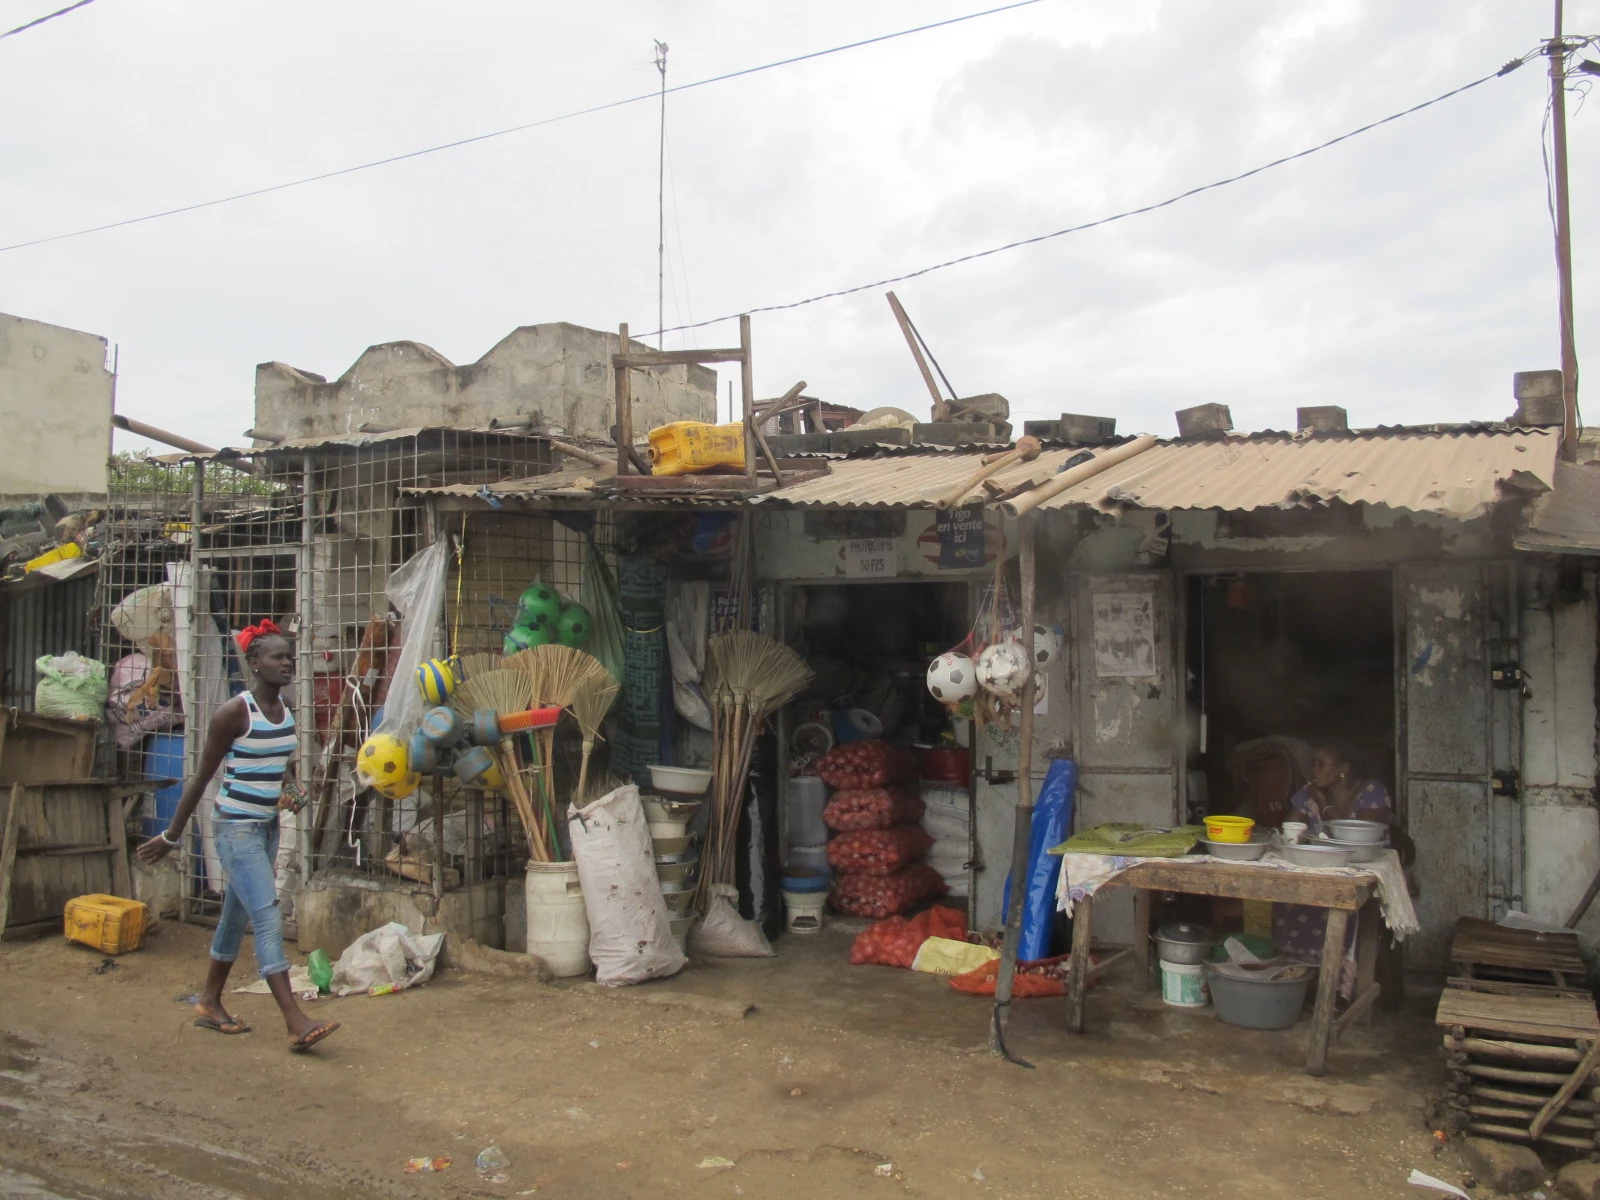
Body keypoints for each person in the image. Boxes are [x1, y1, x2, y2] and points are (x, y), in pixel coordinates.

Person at [137, 620, 339, 1052]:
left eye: (289, 656)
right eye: (276, 657)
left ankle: (210, 1001)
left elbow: (280, 761)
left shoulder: (287, 709)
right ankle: (294, 1021)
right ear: (254, 663)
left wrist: (290, 789)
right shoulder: (233, 712)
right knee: (266, 916)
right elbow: (201, 778)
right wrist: (172, 836)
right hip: (235, 829)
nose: (286, 663)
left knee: (235, 917)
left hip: (265, 827)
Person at [1286, 743, 1393, 833]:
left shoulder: (1371, 791)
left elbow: (1359, 841)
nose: (1314, 769)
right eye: (1313, 764)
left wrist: (1324, 806)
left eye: (1321, 764)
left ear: (1344, 768)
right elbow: (1289, 834)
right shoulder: (1310, 792)